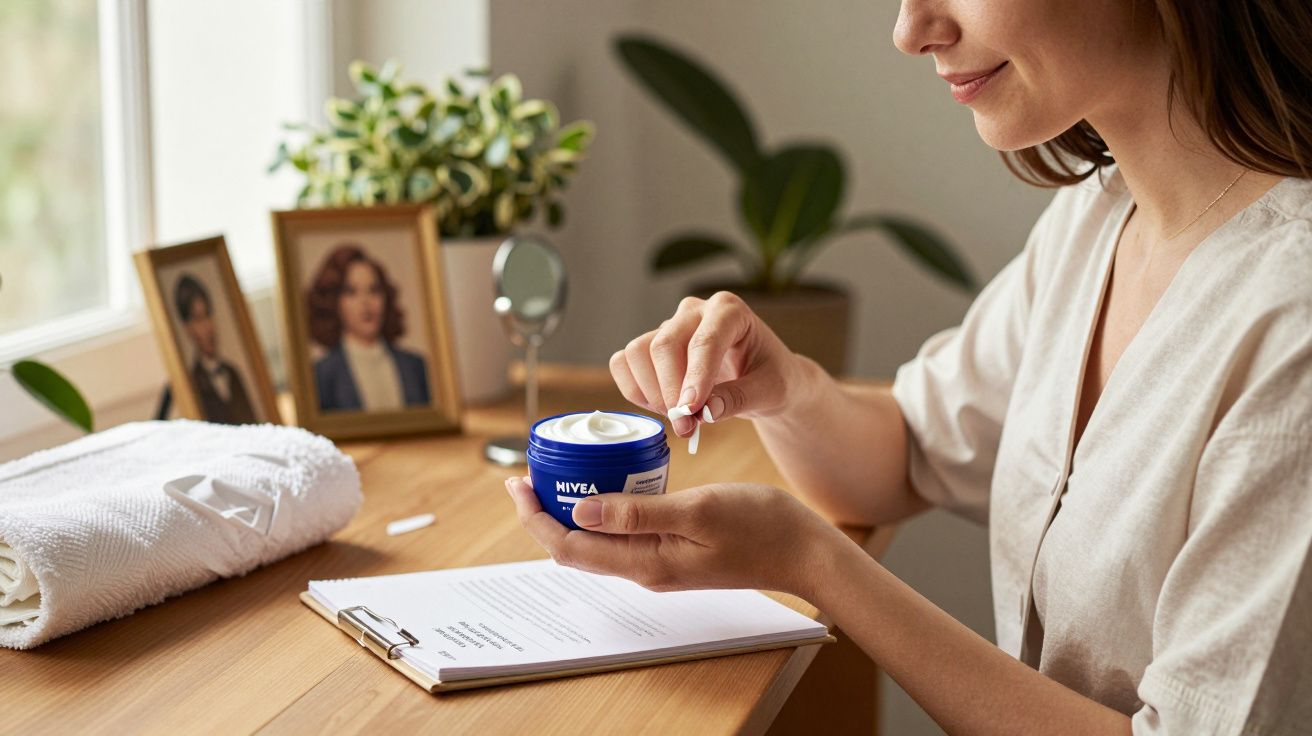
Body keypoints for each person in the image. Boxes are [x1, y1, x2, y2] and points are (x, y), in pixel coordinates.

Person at [506, 1, 1312, 732]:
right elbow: (906, 451)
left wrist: (815, 563)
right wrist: (784, 387)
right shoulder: (1098, 220)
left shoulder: (1292, 323)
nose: (911, 29)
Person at [307, 244, 430, 413]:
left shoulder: (416, 366)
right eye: (352, 292)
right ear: (333, 301)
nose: (366, 302)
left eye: (374, 290)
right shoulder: (321, 375)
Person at [173, 274, 258, 425]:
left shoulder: (232, 373)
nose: (208, 327)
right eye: (199, 319)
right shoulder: (192, 387)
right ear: (188, 328)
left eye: (208, 315)